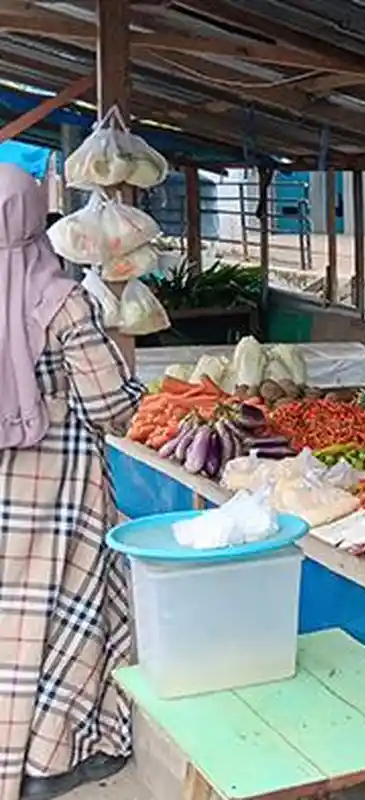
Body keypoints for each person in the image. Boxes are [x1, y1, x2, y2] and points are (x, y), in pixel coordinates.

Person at [0, 164, 141, 800]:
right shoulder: (61, 300)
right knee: (70, 619)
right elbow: (110, 405)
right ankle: (48, 764)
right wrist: (145, 402)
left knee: (11, 625)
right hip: (61, 490)